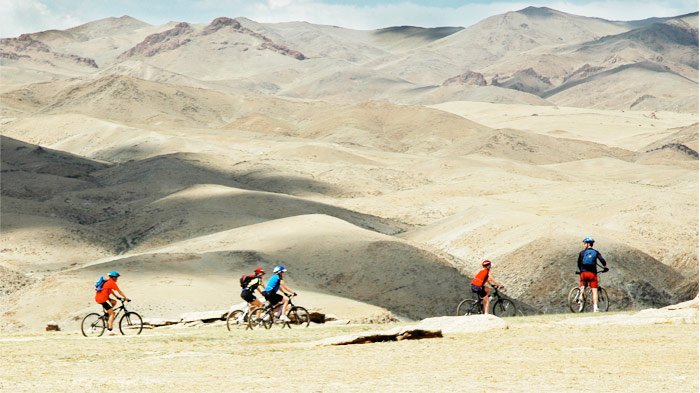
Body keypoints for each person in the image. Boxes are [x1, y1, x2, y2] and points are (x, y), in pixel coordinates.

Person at [577, 237, 608, 312]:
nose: (584, 245)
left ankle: (580, 305)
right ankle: (595, 307)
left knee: (583, 287)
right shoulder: (596, 252)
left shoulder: (582, 252)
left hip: (583, 273)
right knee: (594, 291)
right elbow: (602, 260)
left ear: (588, 244)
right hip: (592, 274)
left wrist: (581, 271)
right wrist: (605, 267)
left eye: (584, 243)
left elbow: (578, 263)